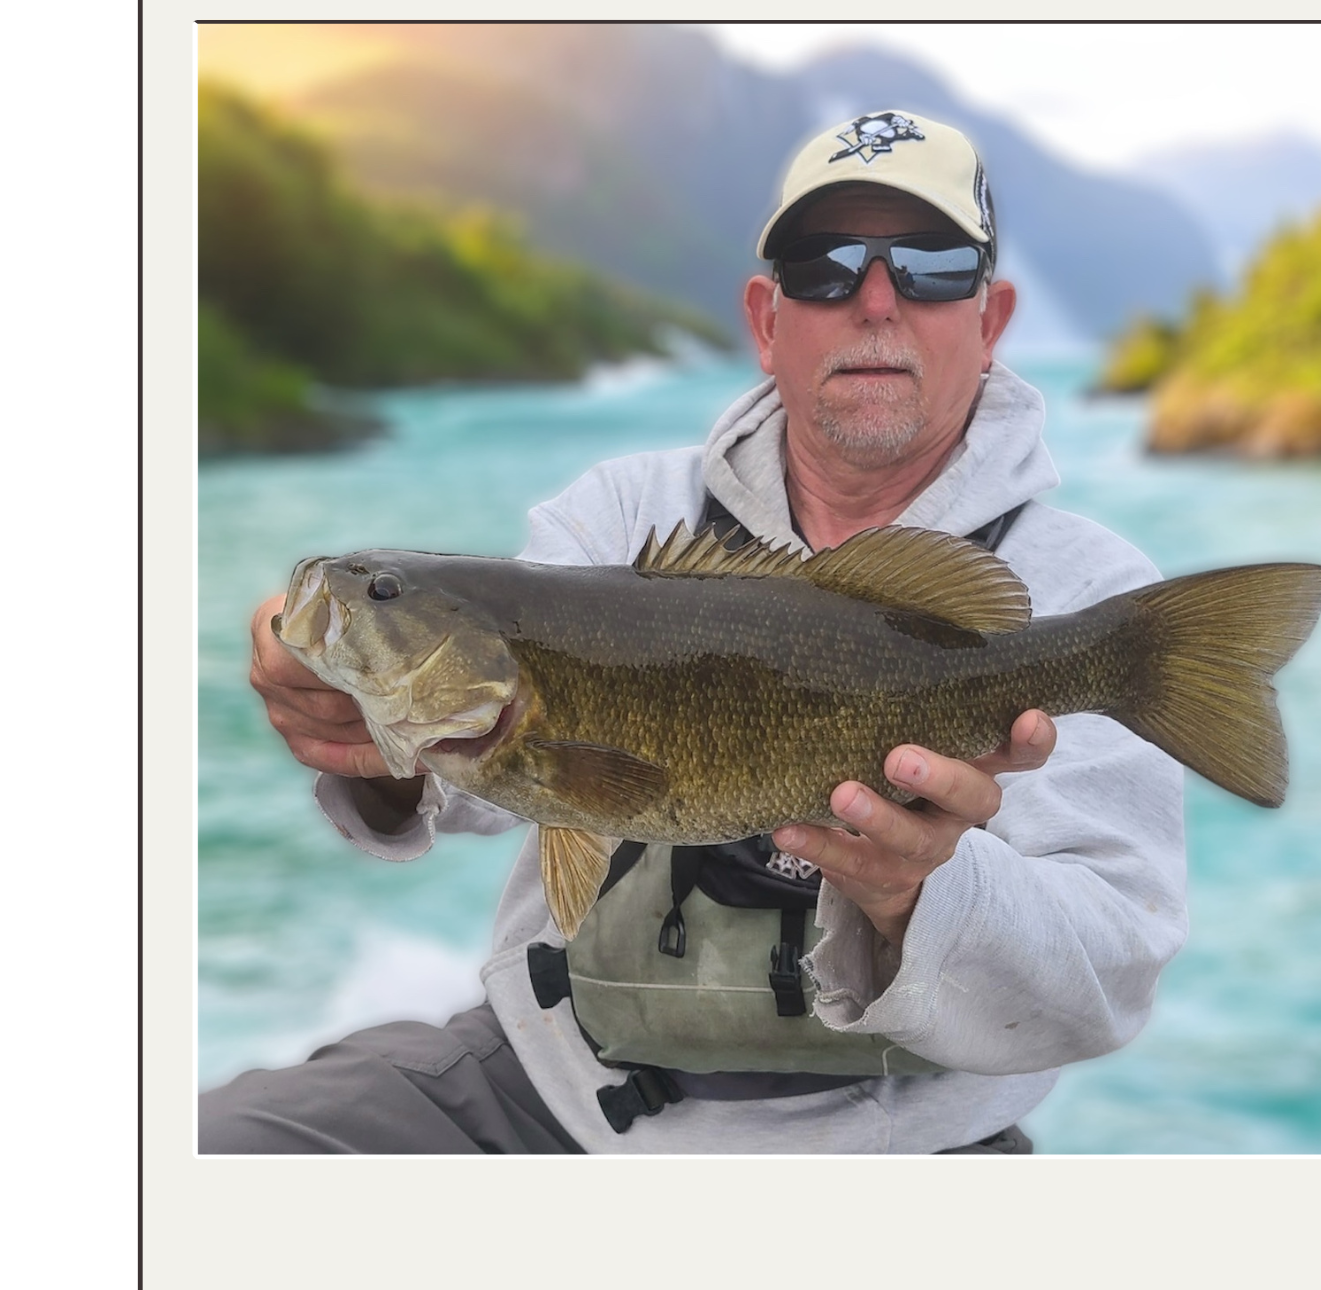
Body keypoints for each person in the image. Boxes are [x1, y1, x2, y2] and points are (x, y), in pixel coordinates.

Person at [206, 111, 1189, 1155]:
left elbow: (1108, 974)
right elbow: (462, 783)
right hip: (551, 1091)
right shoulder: (622, 515)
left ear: (990, 321)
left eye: (932, 266)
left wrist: (922, 889)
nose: (873, 300)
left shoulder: (1088, 598)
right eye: (824, 267)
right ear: (767, 319)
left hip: (900, 1149)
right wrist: (359, 728)